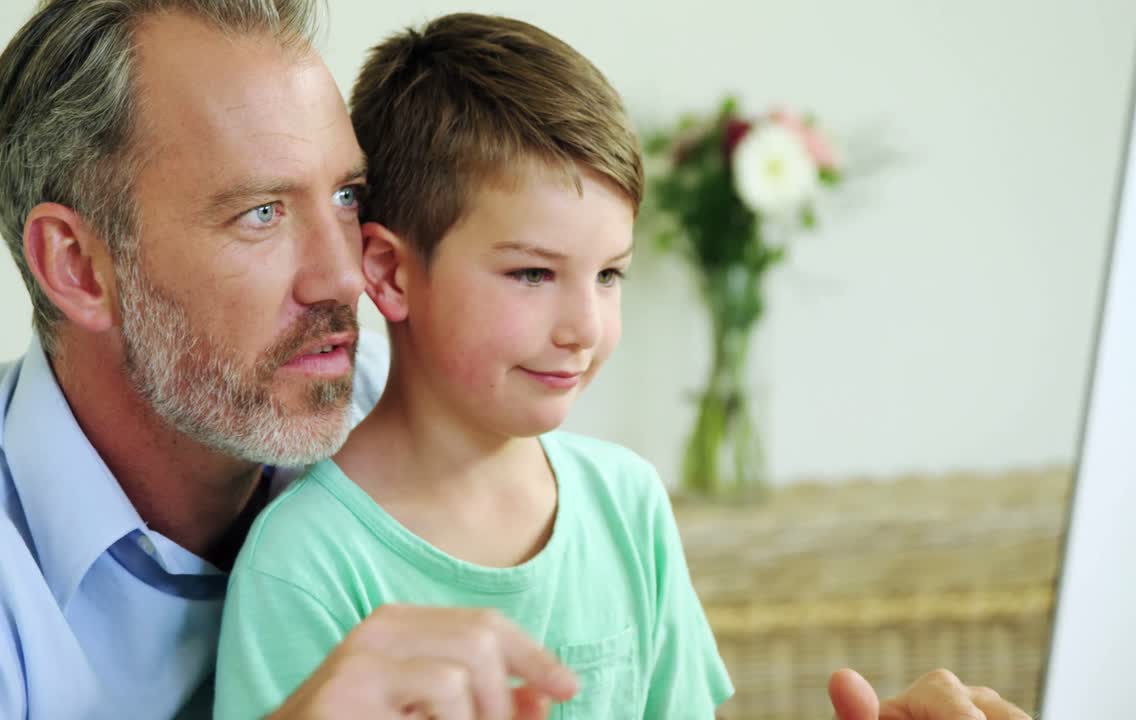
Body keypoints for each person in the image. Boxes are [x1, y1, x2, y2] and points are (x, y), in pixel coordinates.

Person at [0, 2, 1030, 719]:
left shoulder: (398, 392)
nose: (344, 275)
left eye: (349, 198)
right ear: (77, 265)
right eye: (262, 212)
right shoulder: (303, 549)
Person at [214, 13, 732, 718]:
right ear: (390, 273)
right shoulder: (305, 566)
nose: (585, 327)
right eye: (531, 274)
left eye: (610, 275)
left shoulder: (628, 504)